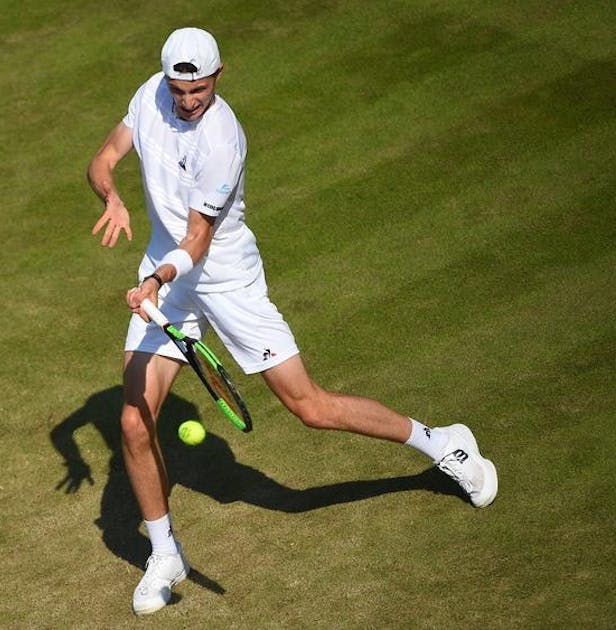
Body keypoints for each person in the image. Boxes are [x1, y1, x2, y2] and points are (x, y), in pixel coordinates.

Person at [85, 27, 498, 616]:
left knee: (310, 408)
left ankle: (441, 443)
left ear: (218, 76)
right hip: (167, 283)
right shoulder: (150, 93)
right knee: (132, 422)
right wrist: (112, 198)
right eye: (180, 88)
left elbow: (198, 240)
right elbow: (103, 159)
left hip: (224, 283)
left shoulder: (223, 140)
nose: (188, 98)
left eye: (198, 87)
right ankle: (165, 551)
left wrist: (155, 280)